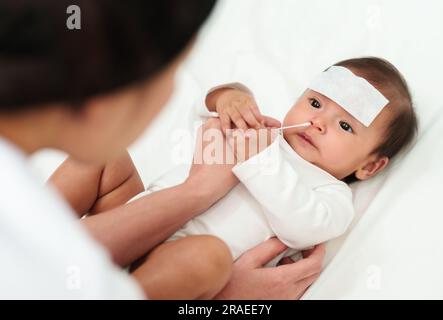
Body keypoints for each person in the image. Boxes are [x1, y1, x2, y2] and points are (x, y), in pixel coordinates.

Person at [0, 0, 325, 299]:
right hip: (149, 260)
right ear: (103, 100)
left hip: (143, 238)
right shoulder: (29, 255)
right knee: (205, 260)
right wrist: (225, 302)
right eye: (171, 77)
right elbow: (55, 260)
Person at [51, 57, 417, 298]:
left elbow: (303, 226)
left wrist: (258, 160)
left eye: (344, 125)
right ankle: (29, 225)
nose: (318, 122)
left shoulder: (330, 194)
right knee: (105, 158)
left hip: (171, 270)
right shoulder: (265, 131)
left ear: (369, 167)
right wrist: (231, 98)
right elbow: (202, 115)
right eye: (316, 103)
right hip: (133, 219)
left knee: (207, 257)